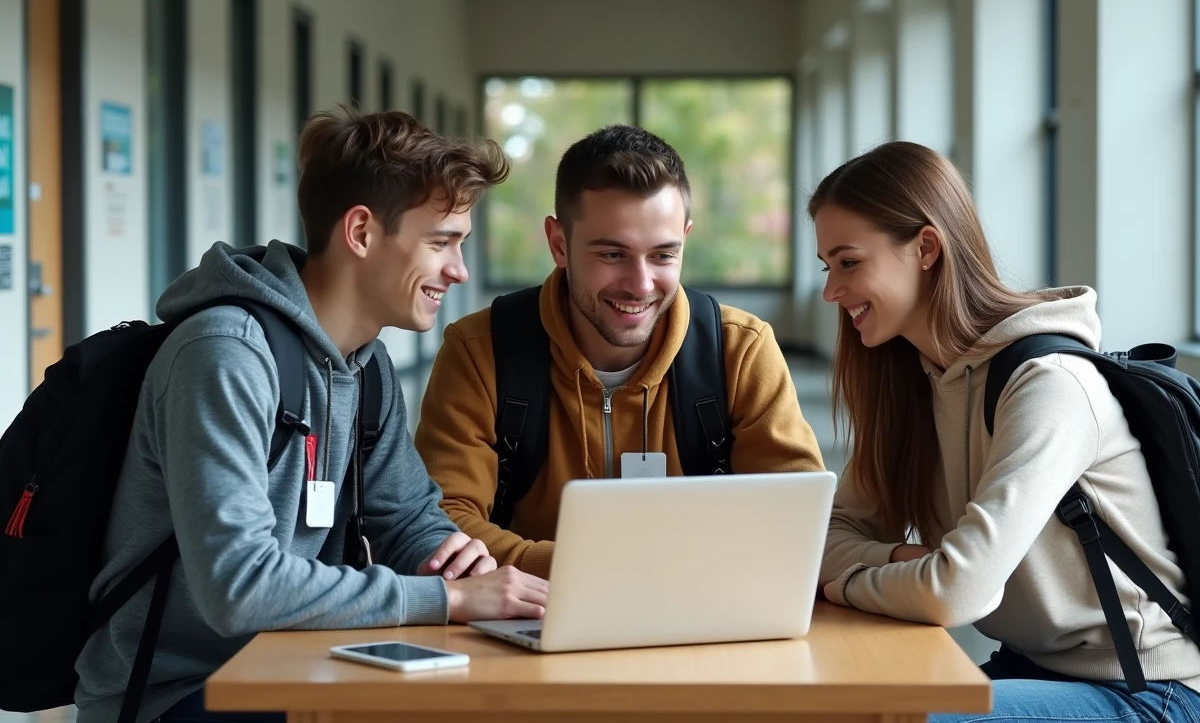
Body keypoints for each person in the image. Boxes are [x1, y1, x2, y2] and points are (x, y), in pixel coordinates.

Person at [75, 107, 549, 723]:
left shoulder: (365, 365)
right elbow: (239, 587)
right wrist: (448, 598)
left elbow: (405, 518)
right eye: (441, 243)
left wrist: (454, 559)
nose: (458, 271)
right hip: (182, 693)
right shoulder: (224, 354)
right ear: (361, 232)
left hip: (299, 664)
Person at [811, 141, 1200, 721]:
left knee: (896, 715)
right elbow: (829, 535)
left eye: (848, 262)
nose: (830, 291)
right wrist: (895, 556)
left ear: (925, 248)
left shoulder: (1049, 384)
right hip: (1030, 665)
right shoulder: (915, 381)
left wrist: (844, 582)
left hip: (1145, 687)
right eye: (827, 267)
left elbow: (956, 590)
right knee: (842, 697)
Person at [415, 124, 824, 579]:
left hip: (699, 618)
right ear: (558, 244)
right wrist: (599, 569)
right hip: (534, 618)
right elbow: (443, 522)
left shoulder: (740, 350)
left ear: (685, 238)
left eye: (664, 255)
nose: (641, 284)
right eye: (612, 255)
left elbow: (796, 517)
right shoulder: (479, 351)